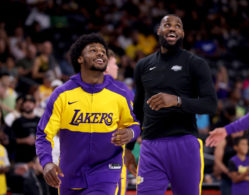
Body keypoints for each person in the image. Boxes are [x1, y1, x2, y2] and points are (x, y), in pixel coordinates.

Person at [35, 33, 140, 195]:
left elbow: (135, 124)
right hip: (69, 173)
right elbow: (43, 134)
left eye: (103, 52)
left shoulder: (121, 93)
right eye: (92, 50)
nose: (100, 53)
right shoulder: (62, 94)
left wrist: (130, 132)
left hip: (107, 170)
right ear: (79, 59)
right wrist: (47, 162)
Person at [128, 15, 217, 195]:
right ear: (159, 31)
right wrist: (129, 148)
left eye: (177, 26)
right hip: (150, 146)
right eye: (167, 25)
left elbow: (210, 104)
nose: (172, 28)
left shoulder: (196, 64)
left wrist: (177, 101)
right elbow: (137, 110)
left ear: (182, 33)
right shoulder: (143, 66)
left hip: (184, 144)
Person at [205, 92, 249, 191]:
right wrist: (227, 130)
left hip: (245, 179)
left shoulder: (247, 141)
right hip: (229, 178)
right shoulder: (225, 141)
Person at [104, 49, 133, 195]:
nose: (117, 67)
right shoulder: (120, 89)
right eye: (114, 64)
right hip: (111, 158)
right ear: (106, 66)